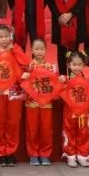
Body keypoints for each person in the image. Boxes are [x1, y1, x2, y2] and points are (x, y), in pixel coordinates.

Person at [0, 23, 29, 166]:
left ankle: (10, 152)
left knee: (13, 123)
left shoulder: (15, 50)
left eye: (6, 36)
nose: (4, 39)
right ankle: (0, 153)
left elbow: (25, 63)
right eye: (1, 36)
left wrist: (14, 49)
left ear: (10, 36)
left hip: (13, 93)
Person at [21, 38, 58, 166]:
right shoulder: (29, 66)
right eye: (36, 49)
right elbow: (23, 84)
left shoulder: (50, 67)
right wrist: (24, 77)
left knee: (46, 130)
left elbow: (56, 83)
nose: (39, 51)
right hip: (32, 102)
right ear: (31, 50)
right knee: (32, 130)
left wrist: (60, 78)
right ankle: (33, 154)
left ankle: (45, 154)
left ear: (46, 50)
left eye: (42, 49)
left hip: (46, 103)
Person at [61, 50, 89, 168]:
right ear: (68, 65)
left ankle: (83, 155)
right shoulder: (65, 79)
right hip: (69, 112)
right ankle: (70, 155)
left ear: (83, 65)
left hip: (83, 112)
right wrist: (61, 82)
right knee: (69, 132)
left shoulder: (87, 80)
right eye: (74, 64)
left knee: (84, 133)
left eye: (79, 64)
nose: (76, 67)